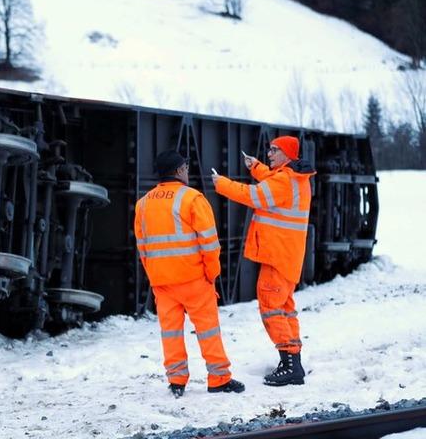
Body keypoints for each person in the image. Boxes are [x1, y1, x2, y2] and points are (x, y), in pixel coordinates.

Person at [134, 150, 245, 398]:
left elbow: (143, 247)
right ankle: (219, 378)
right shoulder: (192, 199)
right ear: (178, 171)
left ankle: (176, 380)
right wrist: (211, 274)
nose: (187, 171)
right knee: (208, 330)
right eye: (185, 167)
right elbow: (210, 243)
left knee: (170, 332)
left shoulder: (143, 204)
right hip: (194, 279)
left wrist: (154, 275)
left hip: (162, 282)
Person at [211, 136, 315, 386]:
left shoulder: (284, 180)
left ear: (287, 154)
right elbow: (271, 180)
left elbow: (255, 196)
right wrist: (255, 166)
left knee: (271, 308)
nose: (269, 154)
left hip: (277, 256)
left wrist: (221, 184)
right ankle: (293, 362)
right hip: (286, 256)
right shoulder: (293, 177)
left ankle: (290, 364)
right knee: (285, 309)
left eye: (274, 150)